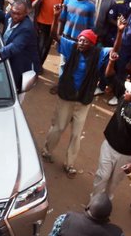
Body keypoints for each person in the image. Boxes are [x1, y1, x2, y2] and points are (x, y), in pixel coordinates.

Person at [42, 30, 112, 178]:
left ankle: (69, 164)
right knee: (58, 127)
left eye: (85, 41)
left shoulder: (98, 53)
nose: (81, 43)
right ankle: (46, 151)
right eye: (80, 39)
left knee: (76, 134)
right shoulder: (71, 47)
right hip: (66, 97)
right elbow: (54, 35)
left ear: (92, 44)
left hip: (83, 101)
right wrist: (55, 17)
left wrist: (119, 32)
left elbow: (114, 51)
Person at [91, 81, 131, 202]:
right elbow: (110, 77)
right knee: (102, 176)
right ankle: (93, 205)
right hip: (108, 146)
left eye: (129, 91)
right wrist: (111, 61)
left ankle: (106, 204)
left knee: (113, 183)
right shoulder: (124, 98)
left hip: (125, 156)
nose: (126, 92)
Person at [0, 1, 41, 93]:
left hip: (21, 64)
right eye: (13, 12)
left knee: (16, 89)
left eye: (19, 14)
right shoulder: (10, 16)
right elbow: (3, 17)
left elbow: (15, 46)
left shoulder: (26, 28)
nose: (15, 16)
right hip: (10, 56)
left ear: (26, 13)